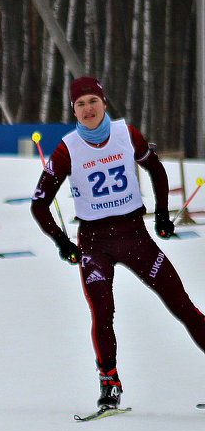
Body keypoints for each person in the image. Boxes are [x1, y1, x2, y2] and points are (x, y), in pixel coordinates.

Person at [31, 76, 205, 411]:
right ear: (74, 110)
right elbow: (39, 203)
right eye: (80, 104)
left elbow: (157, 171)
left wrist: (163, 216)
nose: (87, 109)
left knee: (181, 305)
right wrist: (62, 241)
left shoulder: (128, 135)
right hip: (95, 245)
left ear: (104, 103)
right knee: (103, 314)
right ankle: (109, 384)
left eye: (92, 101)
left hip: (135, 236)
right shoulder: (68, 149)